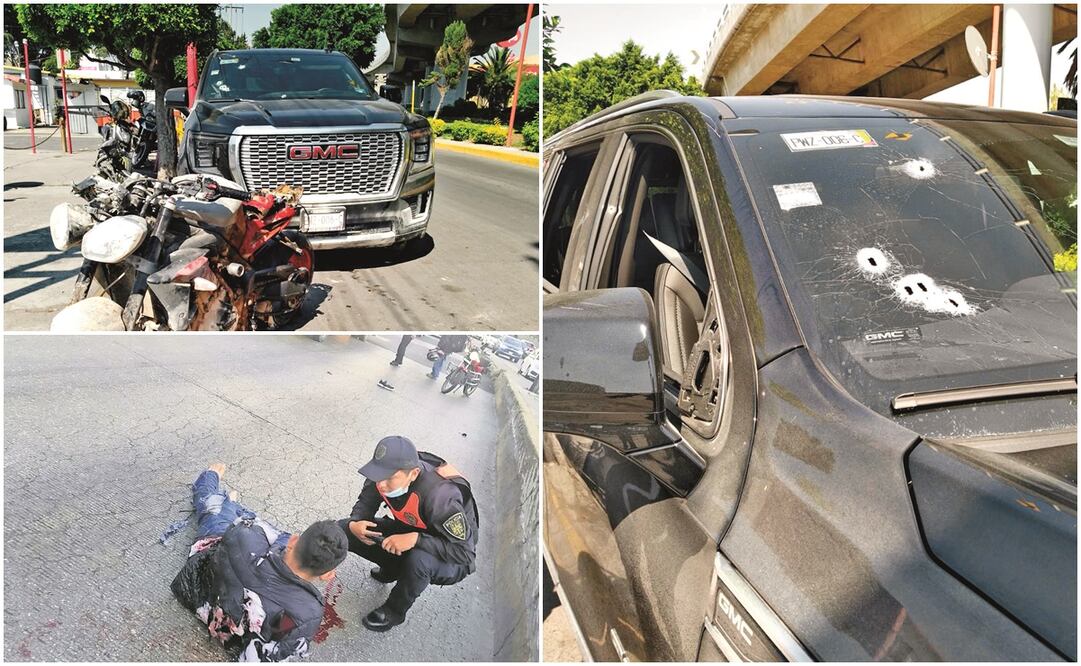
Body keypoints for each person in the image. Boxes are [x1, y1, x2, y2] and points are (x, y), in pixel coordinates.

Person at [171, 464, 348, 662]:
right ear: (327, 575)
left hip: (200, 586)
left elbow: (246, 532)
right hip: (228, 626)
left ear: (294, 542)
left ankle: (214, 482)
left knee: (214, 509)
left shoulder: (246, 534)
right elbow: (265, 656)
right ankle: (232, 505)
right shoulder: (307, 613)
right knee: (254, 524)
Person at [339, 436, 479, 632]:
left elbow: (465, 554)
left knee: (419, 560)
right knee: (344, 529)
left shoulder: (441, 498)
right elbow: (366, 503)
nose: (382, 484)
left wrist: (416, 539)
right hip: (410, 531)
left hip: (450, 554)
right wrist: (356, 522)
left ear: (413, 474)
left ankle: (394, 611)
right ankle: (392, 568)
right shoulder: (382, 473)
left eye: (390, 478)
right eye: (379, 476)